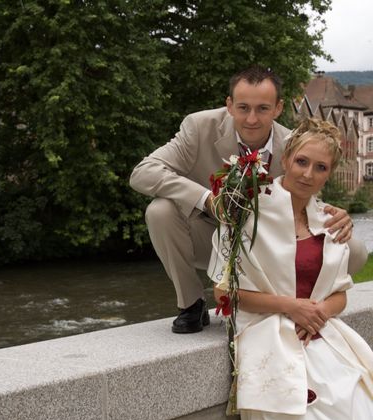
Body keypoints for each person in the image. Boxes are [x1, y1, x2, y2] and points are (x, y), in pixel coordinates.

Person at [129, 66, 366, 334]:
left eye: (263, 109)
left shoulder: (293, 145)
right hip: (207, 236)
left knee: (354, 250)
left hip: (264, 251)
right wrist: (207, 199)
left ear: (278, 108)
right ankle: (191, 304)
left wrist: (336, 215)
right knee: (160, 211)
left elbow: (306, 197)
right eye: (243, 108)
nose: (252, 119)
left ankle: (291, 299)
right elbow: (143, 173)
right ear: (229, 106)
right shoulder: (198, 127)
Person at [208, 118, 373, 420]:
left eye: (320, 168)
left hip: (318, 329)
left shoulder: (330, 221)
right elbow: (224, 292)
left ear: (328, 174)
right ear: (285, 158)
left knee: (349, 398)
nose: (308, 174)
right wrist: (291, 307)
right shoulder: (245, 211)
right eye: (302, 162)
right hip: (266, 329)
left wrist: (317, 311)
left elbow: (340, 295)